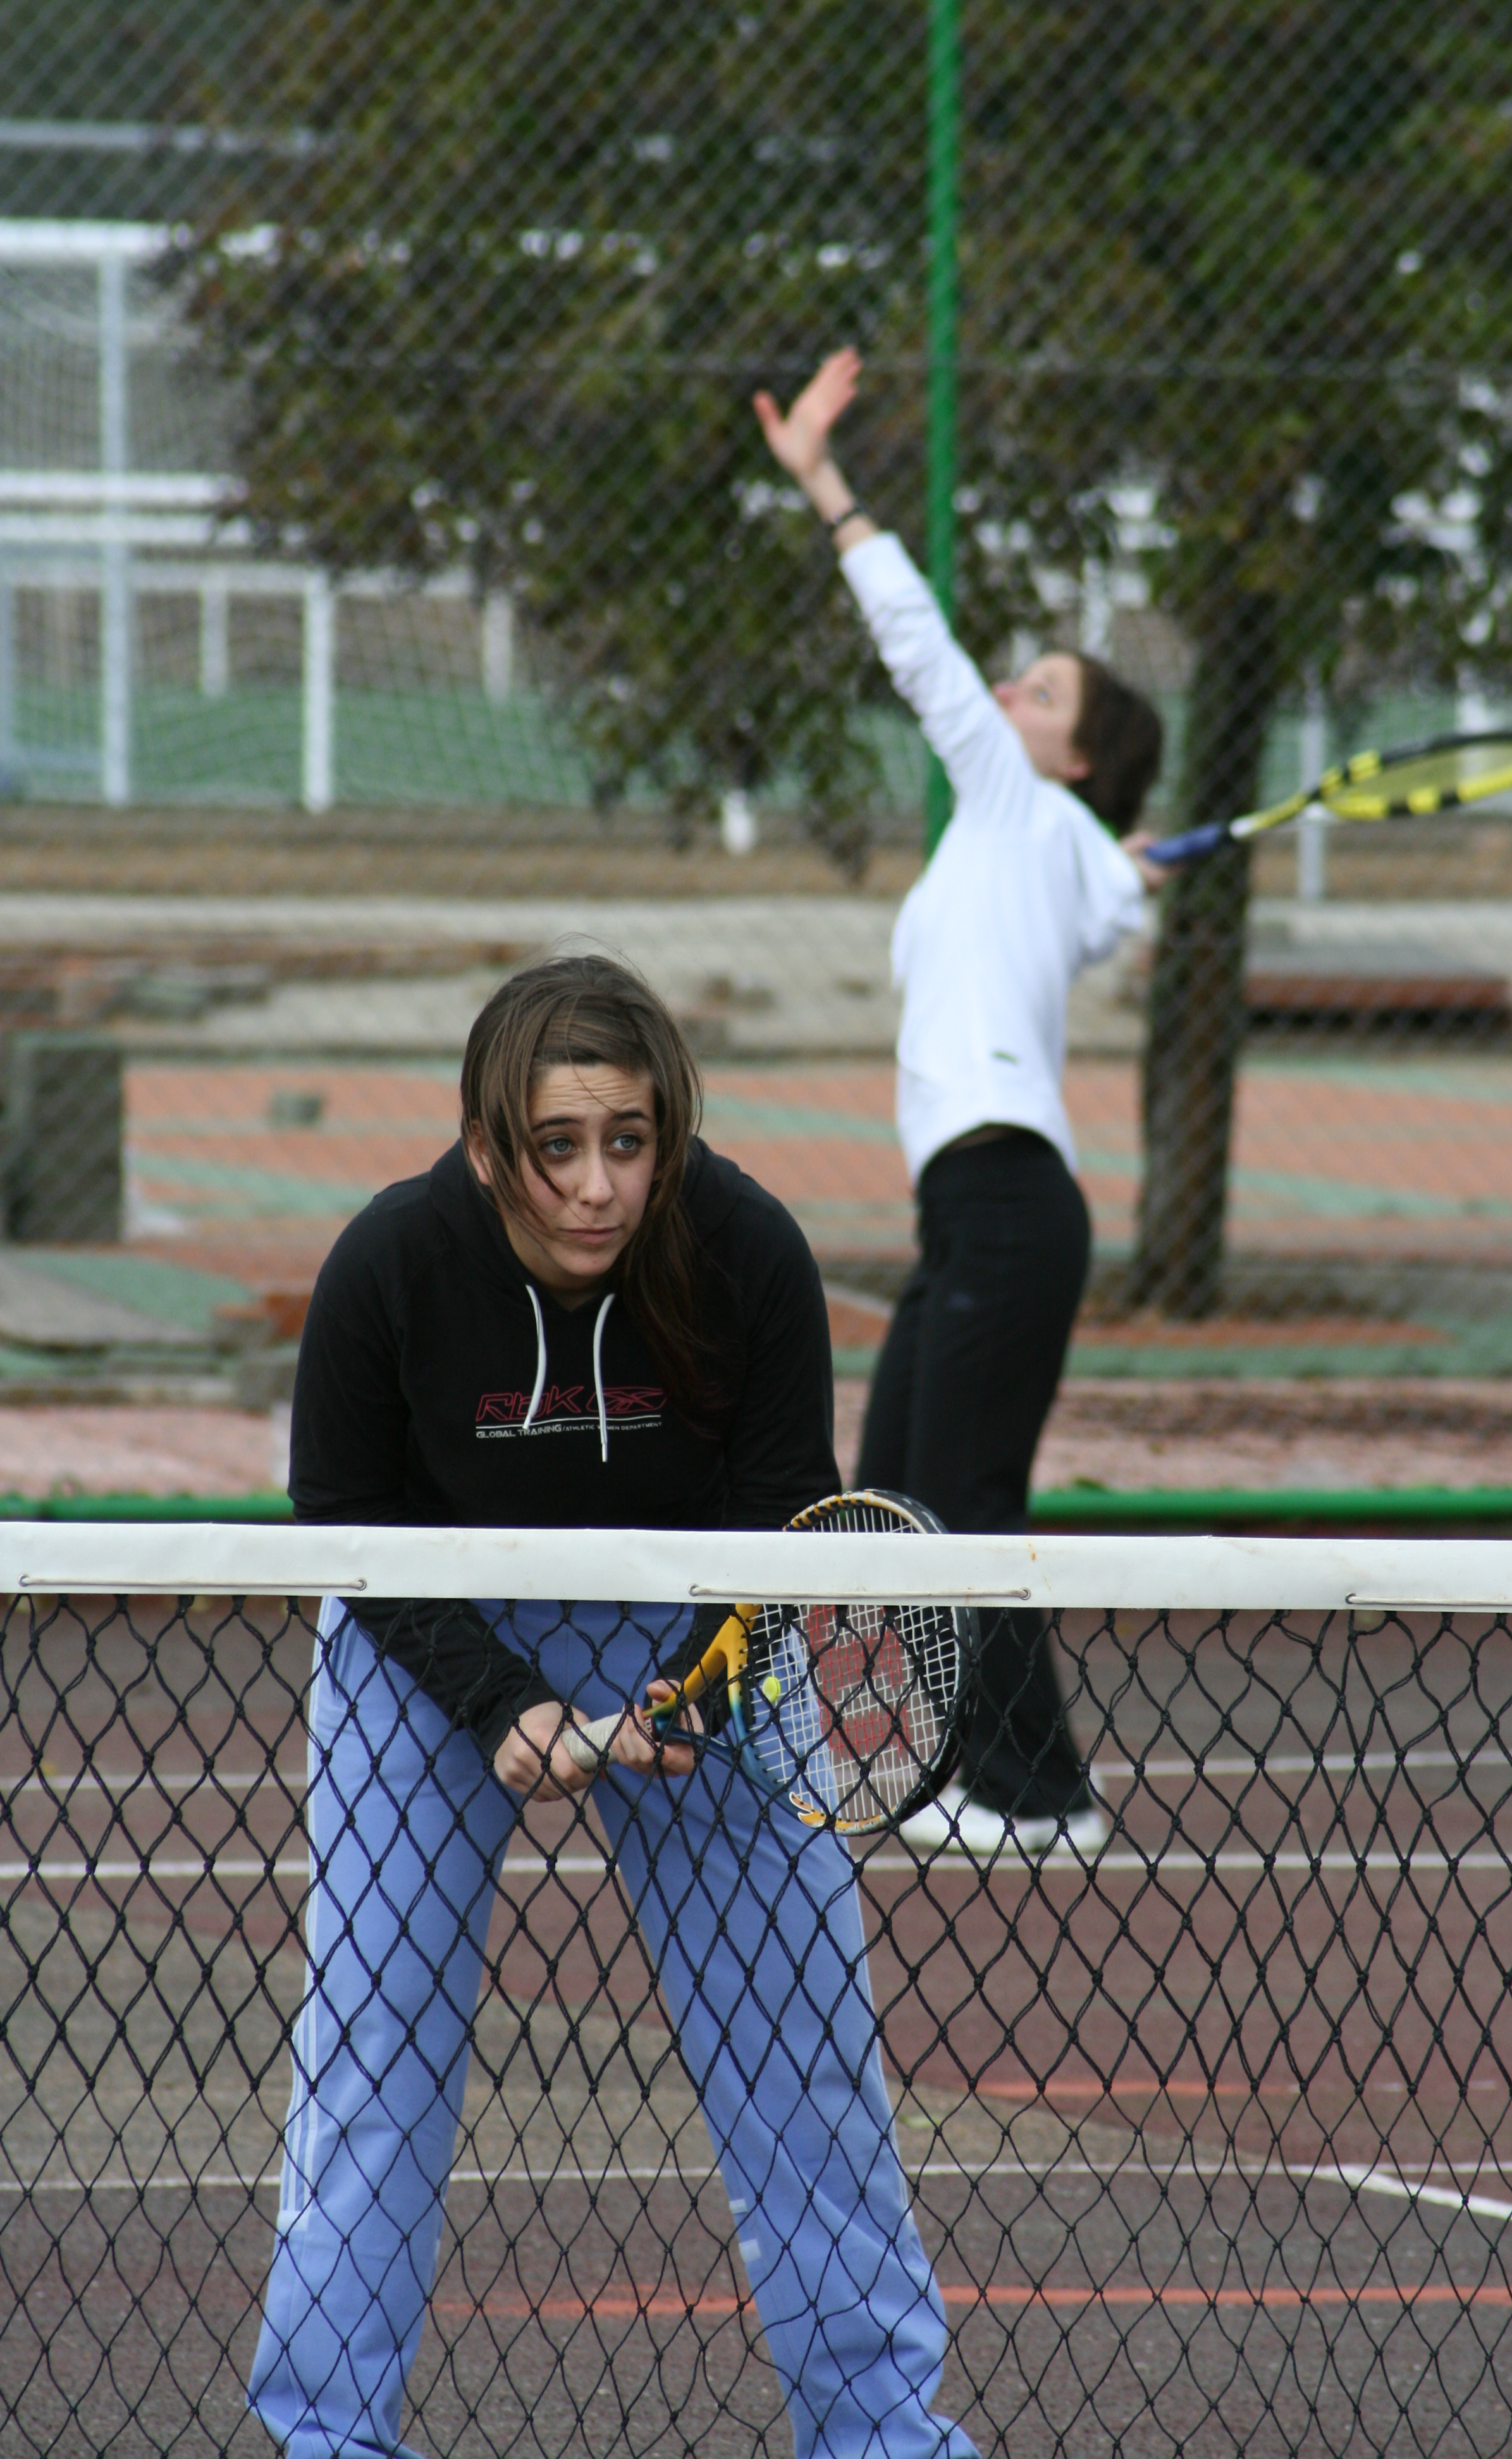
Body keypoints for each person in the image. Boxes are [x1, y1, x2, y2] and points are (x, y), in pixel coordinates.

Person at [248, 951, 978, 2459]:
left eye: (629, 1142)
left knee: (801, 2043)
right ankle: (327, 2438)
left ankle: (884, 2436)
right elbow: (343, 1521)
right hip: (430, 1629)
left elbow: (781, 1512)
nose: (598, 1187)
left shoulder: (748, 1249)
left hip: (689, 1621)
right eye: (557, 1147)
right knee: (376, 2039)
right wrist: (503, 1705)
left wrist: (691, 1685)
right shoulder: (389, 1263)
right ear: (484, 1147)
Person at [754, 348, 1164, 1861]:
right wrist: (1117, 857)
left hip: (1005, 1195)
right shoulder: (1067, 854)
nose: (1004, 693)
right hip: (981, 1210)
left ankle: (1040, 1797)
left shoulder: (1008, 802)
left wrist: (825, 481)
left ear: (1073, 753)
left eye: (1038, 693)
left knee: (968, 1500)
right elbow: (1111, 905)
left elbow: (918, 646)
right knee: (902, 1496)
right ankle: (950, 1776)